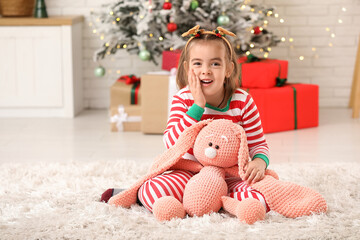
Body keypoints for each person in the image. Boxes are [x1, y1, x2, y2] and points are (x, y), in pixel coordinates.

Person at [101, 25, 270, 214]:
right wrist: (197, 107)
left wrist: (259, 163)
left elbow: (258, 144)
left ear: (229, 69)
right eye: (197, 64)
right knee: (152, 189)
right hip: (188, 174)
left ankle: (221, 203)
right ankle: (190, 205)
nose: (205, 71)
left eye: (215, 64)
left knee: (266, 192)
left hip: (230, 176)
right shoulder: (183, 98)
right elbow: (171, 144)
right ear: (187, 69)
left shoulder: (243, 101)